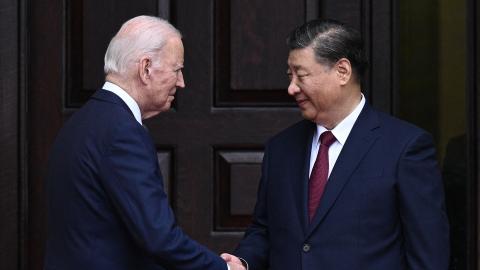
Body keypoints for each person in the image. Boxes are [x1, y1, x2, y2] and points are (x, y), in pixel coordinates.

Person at [221, 19, 449, 269]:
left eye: (301, 75)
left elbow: (428, 255)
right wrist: (243, 262)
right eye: (290, 76)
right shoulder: (281, 148)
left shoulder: (404, 147)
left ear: (342, 71)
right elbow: (264, 230)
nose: (291, 88)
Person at [44, 15, 244, 270]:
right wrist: (222, 268)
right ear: (146, 68)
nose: (182, 82)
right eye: (177, 70)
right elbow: (159, 238)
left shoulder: (83, 122)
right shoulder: (122, 133)